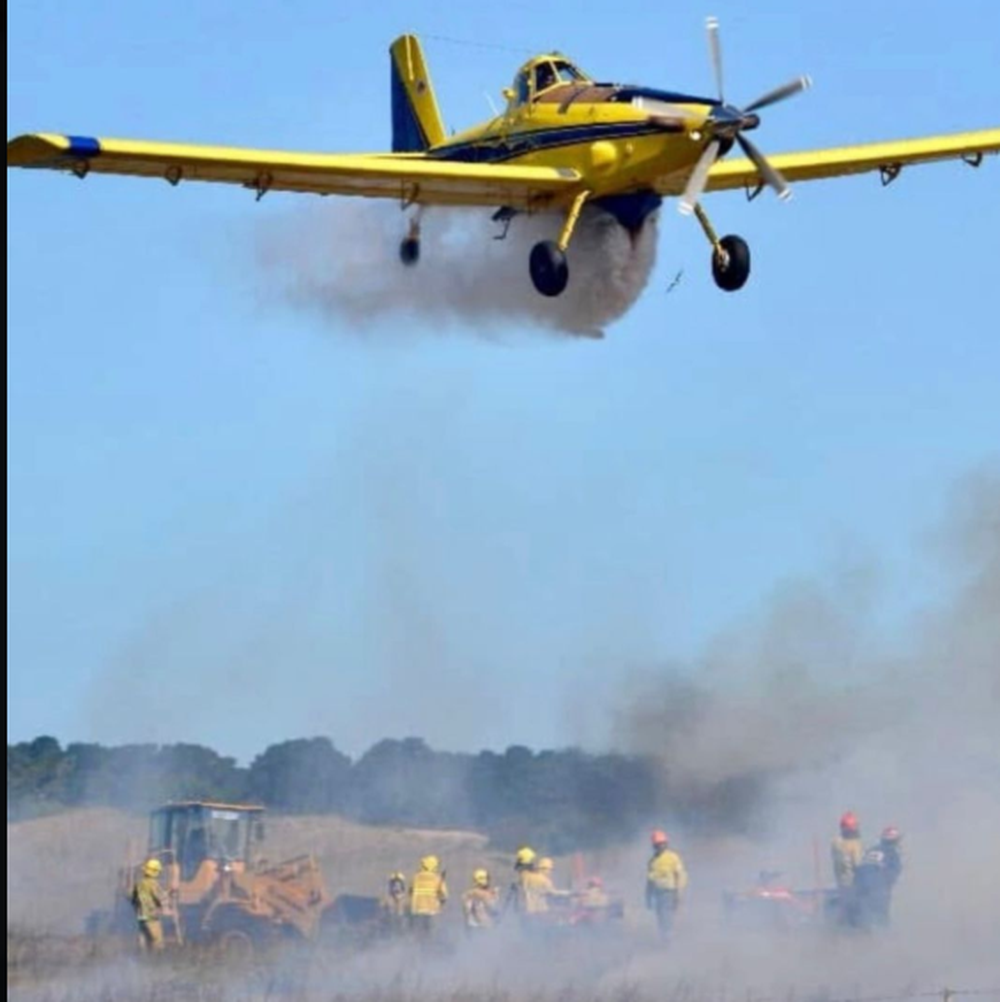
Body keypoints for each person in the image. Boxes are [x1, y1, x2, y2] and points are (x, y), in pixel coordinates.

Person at [854, 827, 904, 930]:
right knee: (881, 915)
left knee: (863, 914)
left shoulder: (871, 849)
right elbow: (894, 871)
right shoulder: (892, 852)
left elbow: (860, 867)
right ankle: (883, 935)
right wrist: (887, 884)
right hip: (877, 885)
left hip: (861, 884)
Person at [645, 830, 688, 941]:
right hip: (657, 894)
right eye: (657, 844)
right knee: (660, 916)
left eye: (662, 844)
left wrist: (679, 893)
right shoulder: (652, 861)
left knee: (666, 915)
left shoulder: (673, 857)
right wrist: (648, 897)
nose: (660, 846)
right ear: (654, 846)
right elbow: (649, 881)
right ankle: (665, 937)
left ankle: (668, 936)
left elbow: (680, 875)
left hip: (669, 892)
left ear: (666, 843)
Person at [831, 812, 864, 927]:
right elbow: (857, 864)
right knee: (853, 907)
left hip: (841, 880)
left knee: (844, 904)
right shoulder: (853, 844)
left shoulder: (836, 841)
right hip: (851, 882)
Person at [131, 858, 168, 952]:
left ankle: (143, 957)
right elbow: (160, 898)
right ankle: (156, 958)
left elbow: (133, 899)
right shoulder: (153, 884)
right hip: (151, 916)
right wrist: (165, 903)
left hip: (141, 916)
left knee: (144, 938)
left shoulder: (139, 884)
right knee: (157, 940)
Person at [409, 855, 448, 938]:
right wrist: (440, 904)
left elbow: (410, 892)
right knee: (430, 934)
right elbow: (444, 896)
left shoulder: (416, 877)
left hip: (417, 910)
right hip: (432, 911)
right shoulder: (437, 878)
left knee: (418, 934)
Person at [379, 871, 409, 937]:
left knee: (396, 911)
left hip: (396, 897)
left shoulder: (392, 882)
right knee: (398, 912)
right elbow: (402, 890)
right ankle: (399, 924)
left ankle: (398, 923)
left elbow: (390, 891)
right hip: (398, 897)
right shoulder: (398, 882)